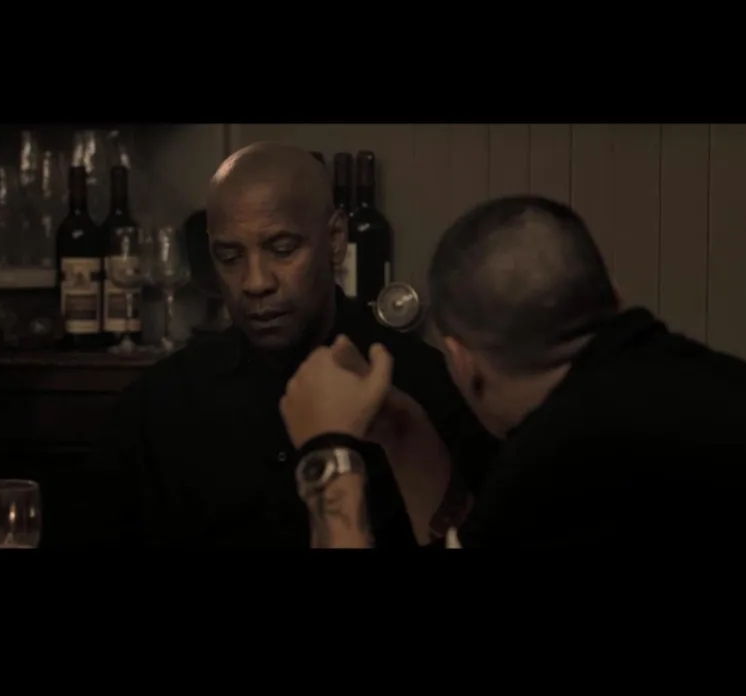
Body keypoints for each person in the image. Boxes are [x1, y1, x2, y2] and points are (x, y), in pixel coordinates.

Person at [280, 195, 746, 562]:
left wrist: (327, 451)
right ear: (612, 293)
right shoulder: (725, 384)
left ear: (462, 362)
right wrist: (402, 430)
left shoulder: (564, 454)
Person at [80, 143, 496, 548]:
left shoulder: (424, 386)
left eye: (282, 250)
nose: (255, 282)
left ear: (335, 239)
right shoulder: (159, 404)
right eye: (230, 257)